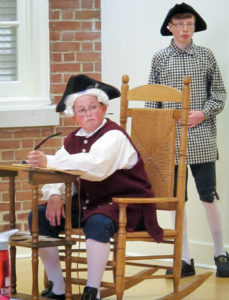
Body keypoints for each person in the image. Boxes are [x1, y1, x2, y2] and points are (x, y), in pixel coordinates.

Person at [26, 74, 163, 300]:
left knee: (98, 222)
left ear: (103, 108)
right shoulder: (71, 140)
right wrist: (54, 195)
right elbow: (60, 170)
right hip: (91, 206)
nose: (88, 113)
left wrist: (48, 161)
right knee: (38, 217)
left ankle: (92, 291)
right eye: (82, 110)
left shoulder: (113, 136)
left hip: (126, 207)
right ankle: (59, 288)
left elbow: (95, 166)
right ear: (75, 117)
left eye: (93, 107)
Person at [145, 2, 228, 278]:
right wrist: (156, 137)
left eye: (189, 24)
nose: (184, 29)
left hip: (202, 138)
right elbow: (152, 102)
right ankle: (183, 258)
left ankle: (220, 254)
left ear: (194, 27)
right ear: (170, 26)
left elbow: (219, 93)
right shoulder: (159, 58)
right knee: (176, 200)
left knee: (209, 196)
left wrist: (202, 113)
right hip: (171, 141)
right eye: (179, 24)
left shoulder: (205, 55)